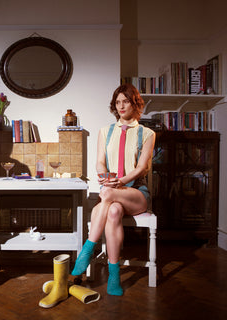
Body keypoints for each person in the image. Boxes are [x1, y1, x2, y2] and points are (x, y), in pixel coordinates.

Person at [70, 83, 155, 296]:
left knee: (106, 194)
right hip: (113, 193)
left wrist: (119, 182)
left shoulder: (147, 133)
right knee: (113, 211)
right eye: (117, 102)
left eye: (125, 101)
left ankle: (87, 250)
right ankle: (114, 276)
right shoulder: (104, 132)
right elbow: (99, 162)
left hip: (136, 193)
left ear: (135, 103)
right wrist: (105, 177)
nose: (121, 106)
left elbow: (141, 167)